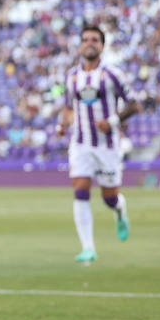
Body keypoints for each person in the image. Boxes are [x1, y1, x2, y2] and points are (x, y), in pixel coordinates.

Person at [57, 26, 139, 263]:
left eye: (94, 39)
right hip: (80, 143)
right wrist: (63, 124)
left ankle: (120, 208)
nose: (89, 43)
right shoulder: (72, 76)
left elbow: (134, 104)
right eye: (85, 39)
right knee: (80, 190)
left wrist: (112, 121)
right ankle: (88, 248)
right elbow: (70, 107)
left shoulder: (113, 74)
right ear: (80, 45)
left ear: (102, 46)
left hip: (107, 146)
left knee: (108, 198)